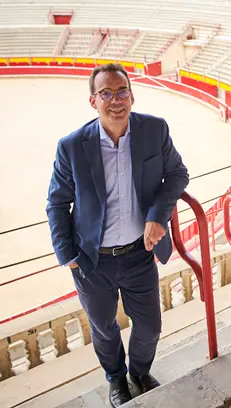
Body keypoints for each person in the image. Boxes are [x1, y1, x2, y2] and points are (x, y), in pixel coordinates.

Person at [46, 63, 189, 407]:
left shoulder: (154, 129)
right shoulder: (72, 146)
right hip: (91, 261)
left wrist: (157, 216)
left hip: (139, 253)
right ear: (92, 101)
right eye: (106, 93)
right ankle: (116, 379)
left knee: (151, 326)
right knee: (104, 329)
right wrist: (68, 257)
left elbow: (178, 175)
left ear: (132, 95)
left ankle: (139, 372)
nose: (115, 100)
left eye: (122, 91)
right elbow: (56, 203)